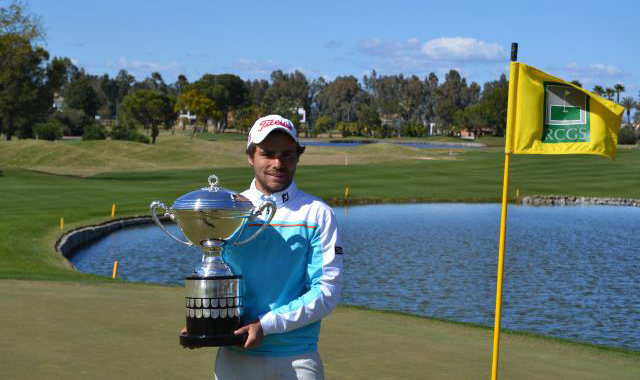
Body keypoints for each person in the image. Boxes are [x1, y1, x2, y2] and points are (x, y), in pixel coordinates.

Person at [183, 115, 343, 380]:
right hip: (236, 357)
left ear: (297, 157)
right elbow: (214, 278)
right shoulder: (227, 210)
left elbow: (326, 293)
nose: (278, 164)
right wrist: (204, 322)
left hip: (297, 358)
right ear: (250, 156)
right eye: (267, 154)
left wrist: (265, 326)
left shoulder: (317, 214)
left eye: (287, 155)